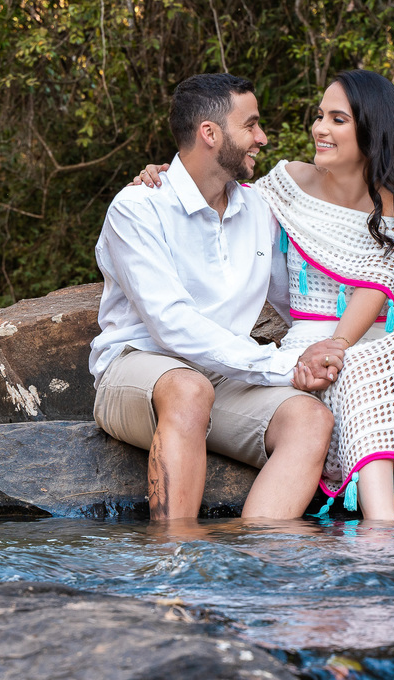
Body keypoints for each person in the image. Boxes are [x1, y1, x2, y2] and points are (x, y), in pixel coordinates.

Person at [136, 70, 394, 520]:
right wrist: (170, 177)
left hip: (362, 338)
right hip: (312, 343)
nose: (319, 128)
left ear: (372, 131)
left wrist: (341, 343)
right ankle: (380, 523)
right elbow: (226, 196)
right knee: (355, 369)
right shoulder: (285, 183)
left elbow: (376, 284)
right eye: (320, 115)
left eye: (337, 119)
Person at [90, 73, 347, 522]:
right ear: (209, 133)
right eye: (251, 125)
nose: (262, 138)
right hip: (137, 367)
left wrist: (340, 347)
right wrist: (282, 366)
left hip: (223, 379)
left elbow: (298, 304)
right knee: (189, 389)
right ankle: (178, 564)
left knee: (310, 421)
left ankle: (258, 560)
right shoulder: (137, 208)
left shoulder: (260, 209)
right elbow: (171, 324)